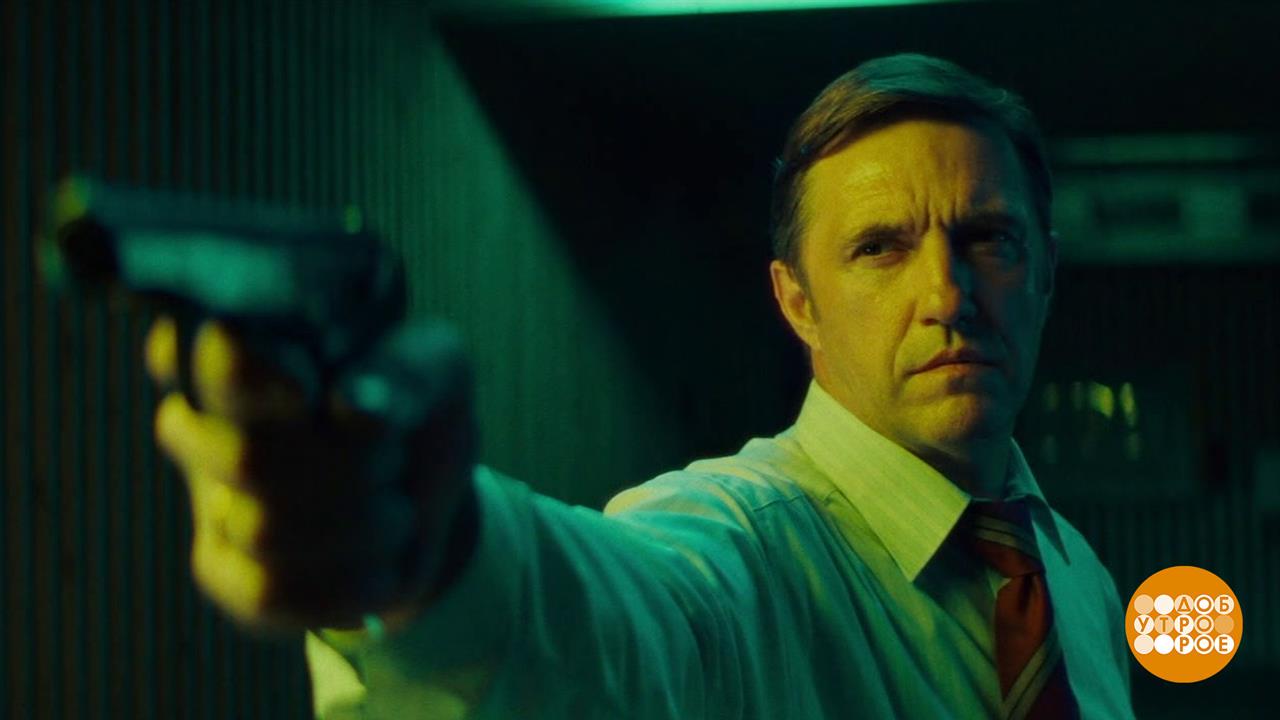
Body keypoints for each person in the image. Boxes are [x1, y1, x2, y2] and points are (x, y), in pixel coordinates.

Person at [146, 53, 1134, 718]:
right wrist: (432, 552)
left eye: (987, 240)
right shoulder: (739, 549)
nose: (947, 297)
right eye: (879, 248)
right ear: (797, 302)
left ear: (1044, 270)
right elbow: (614, 625)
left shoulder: (1076, 580)